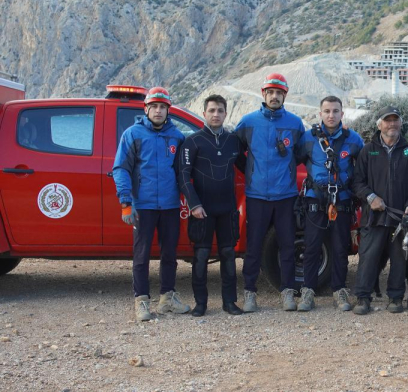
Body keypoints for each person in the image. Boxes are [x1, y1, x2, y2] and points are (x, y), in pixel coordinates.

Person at [113, 86, 191, 321]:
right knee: (141, 255)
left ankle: (167, 299)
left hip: (170, 205)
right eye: (154, 106)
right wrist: (126, 203)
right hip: (143, 206)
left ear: (168, 110)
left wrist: (190, 199)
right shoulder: (132, 134)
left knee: (169, 254)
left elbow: (183, 172)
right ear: (146, 109)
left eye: (162, 107)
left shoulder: (177, 137)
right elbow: (121, 169)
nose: (158, 111)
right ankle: (142, 301)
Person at [235, 73, 305, 312]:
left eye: (279, 93)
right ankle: (250, 293)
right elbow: (236, 152)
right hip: (257, 196)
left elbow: (301, 154)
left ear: (285, 95)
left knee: (287, 246)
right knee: (253, 247)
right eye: (271, 92)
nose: (274, 97)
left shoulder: (295, 123)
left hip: (285, 196)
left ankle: (287, 292)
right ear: (263, 94)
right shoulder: (248, 122)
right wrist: (251, 172)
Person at [351, 106, 408, 315]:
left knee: (399, 259)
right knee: (368, 258)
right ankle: (363, 298)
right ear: (379, 124)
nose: (392, 124)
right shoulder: (368, 150)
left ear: (400, 123)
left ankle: (396, 297)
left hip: (401, 218)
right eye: (387, 120)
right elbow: (357, 182)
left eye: (395, 119)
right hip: (373, 218)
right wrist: (371, 197)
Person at [178, 94, 245, 317]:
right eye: (212, 110)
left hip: (227, 209)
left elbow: (248, 168)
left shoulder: (233, 141)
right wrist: (194, 205)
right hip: (202, 210)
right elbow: (183, 176)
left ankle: (230, 302)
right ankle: (201, 304)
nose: (216, 114)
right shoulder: (193, 142)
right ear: (204, 113)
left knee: (228, 255)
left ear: (226, 114)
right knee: (201, 256)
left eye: (220, 111)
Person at [295, 96, 364, 311]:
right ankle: (308, 291)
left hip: (342, 200)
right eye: (327, 111)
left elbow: (363, 168)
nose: (331, 115)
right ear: (320, 114)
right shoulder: (308, 138)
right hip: (315, 199)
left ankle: (339, 290)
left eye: (335, 111)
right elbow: (292, 162)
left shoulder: (354, 139)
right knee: (312, 246)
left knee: (340, 247)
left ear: (342, 114)